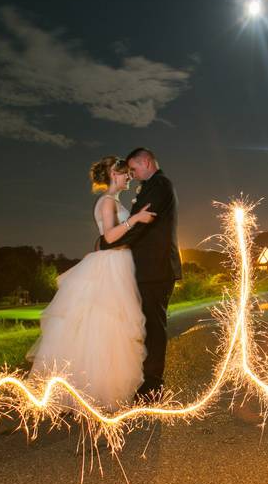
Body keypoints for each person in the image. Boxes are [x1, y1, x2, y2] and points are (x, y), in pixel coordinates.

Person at [26, 156, 156, 411]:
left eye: (128, 173)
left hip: (121, 263)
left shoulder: (115, 202)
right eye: (123, 173)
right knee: (104, 326)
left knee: (115, 328)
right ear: (111, 176)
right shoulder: (106, 202)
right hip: (111, 266)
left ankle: (108, 390)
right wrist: (136, 219)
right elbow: (108, 236)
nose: (128, 176)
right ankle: (95, 392)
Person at [99, 147, 181, 398]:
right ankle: (144, 379)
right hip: (146, 269)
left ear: (146, 162)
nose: (132, 175)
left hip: (155, 269)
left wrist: (107, 243)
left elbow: (142, 226)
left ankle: (153, 386)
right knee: (146, 325)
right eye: (128, 172)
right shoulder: (153, 185)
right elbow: (136, 223)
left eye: (133, 169)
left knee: (154, 327)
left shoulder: (160, 185)